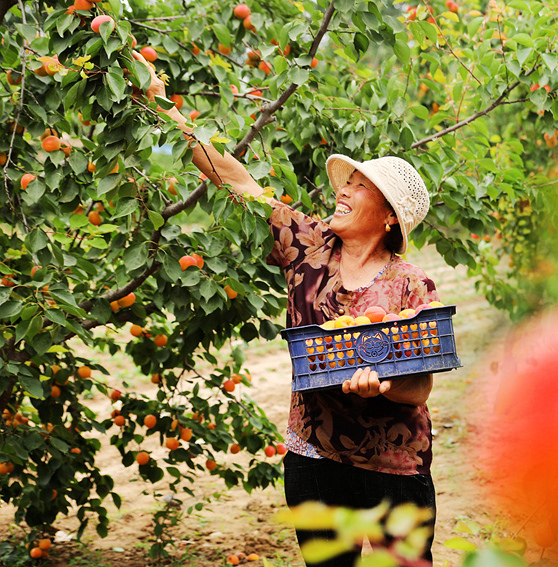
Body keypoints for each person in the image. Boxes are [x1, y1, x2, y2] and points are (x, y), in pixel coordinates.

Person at [132, 52, 440, 566]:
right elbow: (236, 181)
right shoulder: (308, 244)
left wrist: (383, 384)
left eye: (360, 186)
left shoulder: (411, 284)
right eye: (348, 182)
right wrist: (167, 111)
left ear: (388, 217)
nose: (344, 190)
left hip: (393, 469)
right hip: (314, 457)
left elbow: (421, 385)